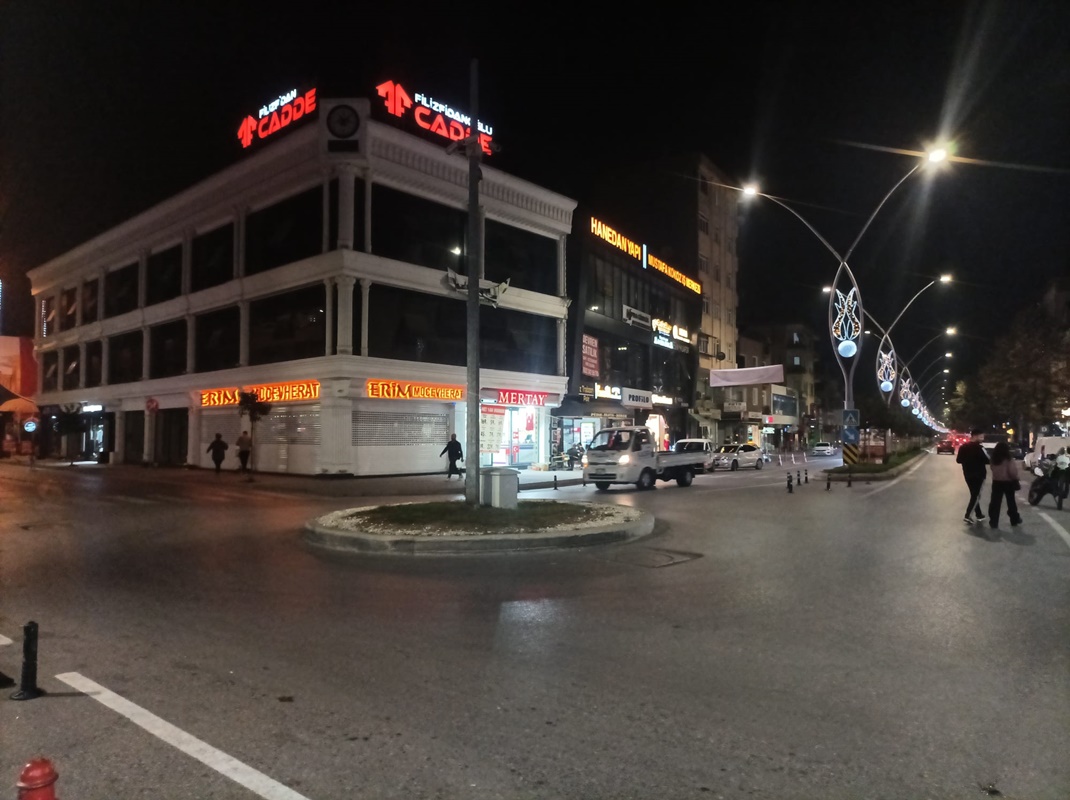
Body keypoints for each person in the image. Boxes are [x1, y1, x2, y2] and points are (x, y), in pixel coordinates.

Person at [956, 428, 990, 524]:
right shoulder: (980, 448)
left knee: (974, 494)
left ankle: (979, 514)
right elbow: (988, 460)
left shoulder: (963, 447)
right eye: (981, 437)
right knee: (976, 496)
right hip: (979, 475)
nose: (982, 439)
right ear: (974, 436)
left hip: (967, 474)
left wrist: (968, 461)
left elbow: (958, 460)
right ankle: (968, 515)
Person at [987, 441, 1022, 529]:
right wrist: (1016, 478)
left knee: (995, 502)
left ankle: (994, 521)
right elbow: (1012, 472)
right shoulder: (1008, 459)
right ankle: (1014, 519)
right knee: (1011, 502)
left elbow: (992, 468)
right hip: (1008, 482)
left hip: (996, 482)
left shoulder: (993, 459)